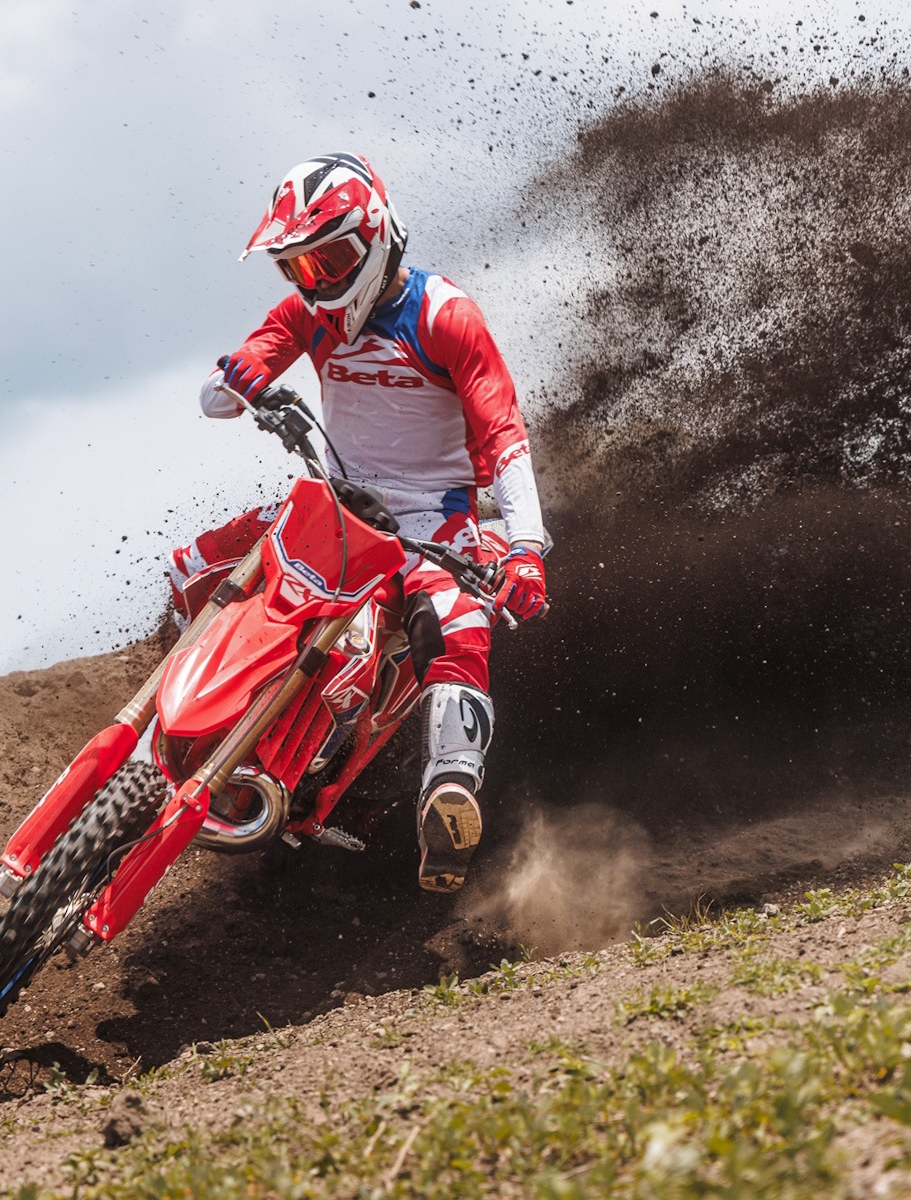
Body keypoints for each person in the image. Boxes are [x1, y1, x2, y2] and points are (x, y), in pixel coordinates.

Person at [167, 152, 549, 893]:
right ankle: (196, 711)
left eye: (330, 261)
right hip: (334, 508)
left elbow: (505, 436)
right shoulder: (307, 315)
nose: (316, 282)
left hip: (433, 523)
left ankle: (448, 795)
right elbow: (217, 397)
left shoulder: (445, 316)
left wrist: (528, 549)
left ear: (377, 235)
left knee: (458, 624)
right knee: (193, 566)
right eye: (297, 268)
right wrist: (239, 375)